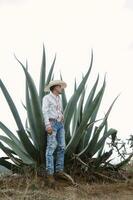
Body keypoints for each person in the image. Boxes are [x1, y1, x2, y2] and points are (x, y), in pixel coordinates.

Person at [42, 80, 67, 186]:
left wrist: (61, 116)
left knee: (62, 146)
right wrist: (47, 125)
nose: (61, 88)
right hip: (51, 123)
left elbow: (58, 110)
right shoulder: (47, 98)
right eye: (60, 86)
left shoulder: (59, 98)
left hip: (60, 124)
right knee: (51, 147)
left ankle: (59, 171)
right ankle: (50, 174)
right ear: (55, 87)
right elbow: (45, 111)